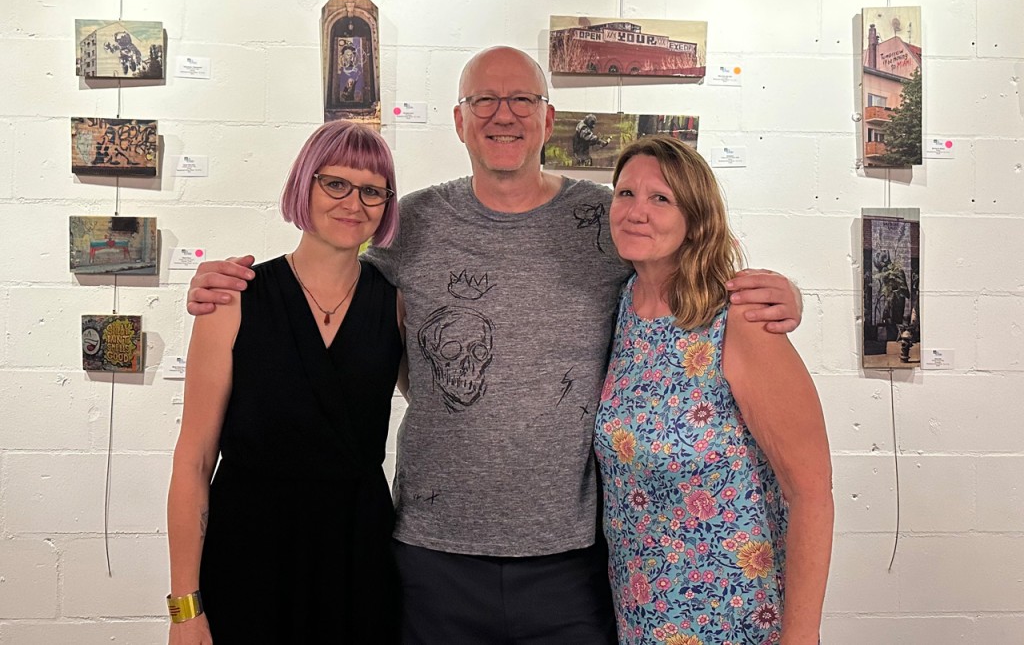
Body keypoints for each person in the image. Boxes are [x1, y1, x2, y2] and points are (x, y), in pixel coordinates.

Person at [185, 46, 804, 645]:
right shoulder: (412, 224)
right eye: (483, 100)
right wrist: (230, 286)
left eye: (521, 100)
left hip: (570, 558)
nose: (502, 115)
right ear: (459, 121)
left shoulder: (608, 218)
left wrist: (780, 294)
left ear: (548, 119)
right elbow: (332, 270)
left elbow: (680, 262)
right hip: (432, 555)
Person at [166, 120, 403, 644]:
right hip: (248, 555)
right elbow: (194, 458)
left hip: (357, 557)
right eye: (335, 183)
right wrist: (185, 608)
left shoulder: (397, 305)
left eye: (372, 191)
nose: (354, 203)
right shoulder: (232, 298)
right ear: (304, 184)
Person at [596, 135, 833, 644]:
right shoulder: (619, 307)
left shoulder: (737, 321)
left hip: (735, 616)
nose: (637, 211)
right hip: (641, 614)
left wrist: (801, 636)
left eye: (661, 198)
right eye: (625, 193)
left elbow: (811, 493)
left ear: (696, 219)